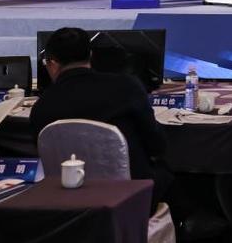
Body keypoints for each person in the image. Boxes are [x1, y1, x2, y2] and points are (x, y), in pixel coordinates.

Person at [30, 27, 172, 204]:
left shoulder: (42, 107)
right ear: (90, 56)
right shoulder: (127, 87)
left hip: (68, 201)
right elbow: (157, 144)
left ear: (52, 63)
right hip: (132, 197)